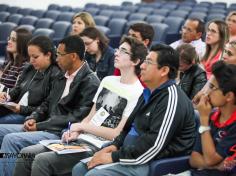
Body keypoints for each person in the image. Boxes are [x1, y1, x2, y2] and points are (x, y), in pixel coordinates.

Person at [14, 36, 148, 176]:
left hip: (98, 146)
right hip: (79, 139)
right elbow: (91, 115)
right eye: (118, 49)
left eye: (123, 51)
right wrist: (75, 132)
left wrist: (82, 127)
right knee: (26, 154)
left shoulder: (137, 92)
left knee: (42, 160)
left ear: (136, 61)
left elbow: (116, 133)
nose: (116, 53)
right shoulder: (108, 81)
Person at [72, 44, 196, 176]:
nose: (142, 66)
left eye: (148, 62)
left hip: (152, 161)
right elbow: (128, 127)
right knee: (80, 168)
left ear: (164, 70)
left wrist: (113, 157)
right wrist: (114, 146)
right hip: (130, 153)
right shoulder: (147, 92)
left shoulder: (172, 99)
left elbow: (154, 146)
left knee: (94, 175)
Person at [0, 35, 100, 176]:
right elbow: (47, 103)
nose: (57, 58)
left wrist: (40, 125)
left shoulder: (90, 82)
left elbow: (76, 117)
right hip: (45, 125)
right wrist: (34, 117)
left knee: (12, 140)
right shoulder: (62, 75)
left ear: (73, 56)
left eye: (60, 54)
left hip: (62, 132)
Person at [189, 61, 236, 176]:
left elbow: (210, 159)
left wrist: (204, 121)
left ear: (228, 96)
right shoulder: (211, 115)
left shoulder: (233, 126)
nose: (206, 93)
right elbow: (193, 159)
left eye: (212, 87)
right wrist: (216, 166)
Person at [0, 36, 60, 124]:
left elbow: (47, 108)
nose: (31, 61)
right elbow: (17, 89)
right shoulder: (29, 68)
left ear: (48, 55)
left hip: (31, 116)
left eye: (35, 57)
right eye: (30, 56)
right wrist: (7, 96)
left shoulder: (56, 74)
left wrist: (21, 109)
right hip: (16, 108)